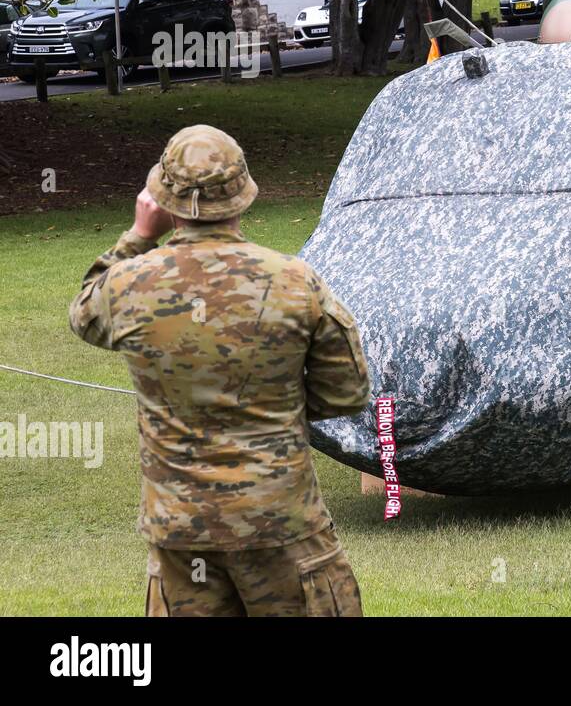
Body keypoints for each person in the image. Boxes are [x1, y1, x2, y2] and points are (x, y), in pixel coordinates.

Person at [69, 124, 372, 616]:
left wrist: (139, 236)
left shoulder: (128, 285)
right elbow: (348, 392)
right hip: (278, 521)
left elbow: (84, 313)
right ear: (243, 195)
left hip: (181, 529)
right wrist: (272, 404)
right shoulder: (295, 282)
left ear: (162, 199)